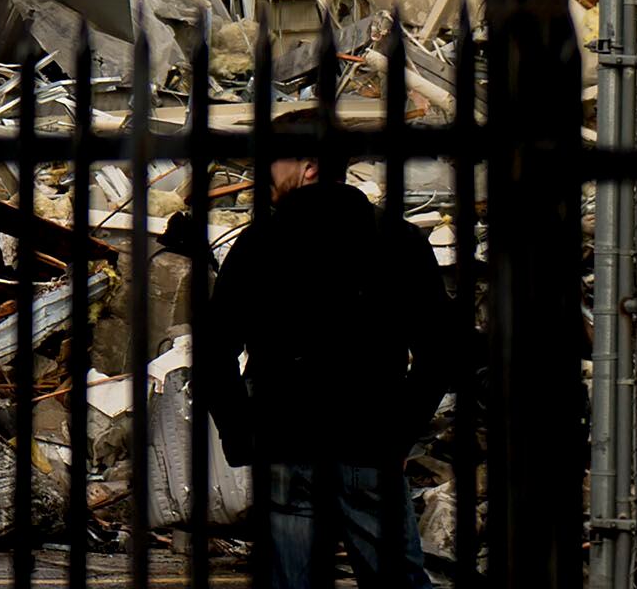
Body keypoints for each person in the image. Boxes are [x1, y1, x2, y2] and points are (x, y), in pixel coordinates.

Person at [192, 116, 462, 589]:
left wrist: (244, 439)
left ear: (310, 167)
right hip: (369, 441)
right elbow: (440, 354)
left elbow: (214, 354)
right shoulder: (398, 240)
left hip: (287, 443)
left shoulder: (259, 244)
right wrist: (399, 436)